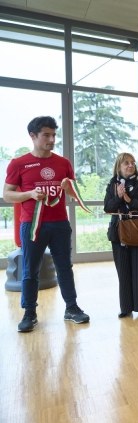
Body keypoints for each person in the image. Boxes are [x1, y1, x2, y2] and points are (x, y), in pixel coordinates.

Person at [3, 116, 90, 332]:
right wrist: (30, 194)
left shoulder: (63, 163)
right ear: (33, 136)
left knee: (65, 267)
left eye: (54, 135)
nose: (52, 140)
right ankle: (29, 313)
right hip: (32, 226)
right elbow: (7, 195)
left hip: (60, 224)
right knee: (30, 269)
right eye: (46, 135)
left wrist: (69, 188)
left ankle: (72, 308)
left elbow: (74, 194)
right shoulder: (18, 164)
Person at [104, 153, 138, 318]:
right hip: (118, 233)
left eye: (132, 162)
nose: (130, 165)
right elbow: (108, 207)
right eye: (126, 163)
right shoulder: (113, 184)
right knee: (123, 271)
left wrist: (129, 200)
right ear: (119, 166)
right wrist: (119, 197)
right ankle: (125, 307)